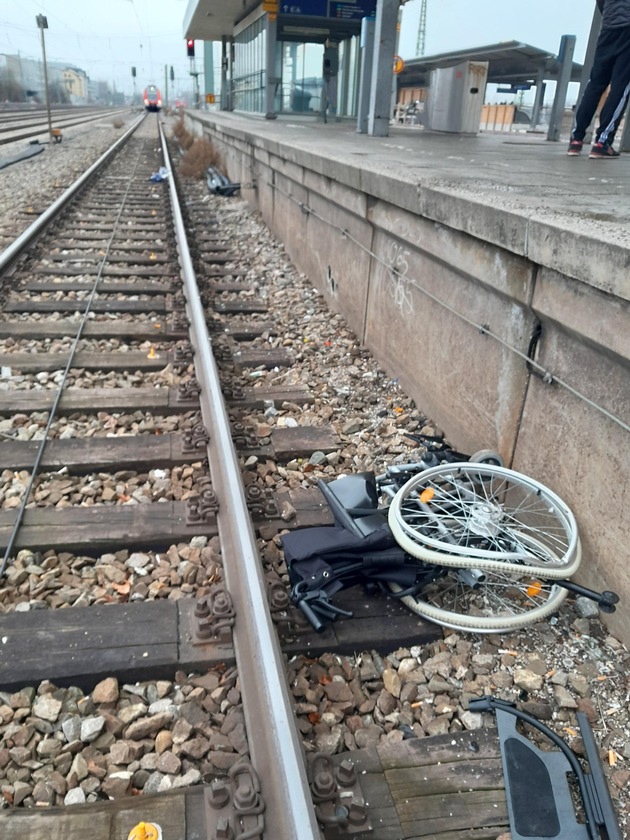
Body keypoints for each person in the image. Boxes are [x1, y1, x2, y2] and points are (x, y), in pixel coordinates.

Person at [568, 0, 630, 158]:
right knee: (621, 88)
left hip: (608, 28)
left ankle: (576, 140)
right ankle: (602, 142)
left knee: (595, 84)